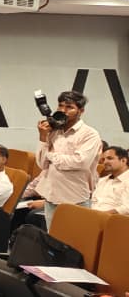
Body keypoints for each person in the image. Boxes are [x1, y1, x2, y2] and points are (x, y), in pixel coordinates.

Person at [35, 91, 102, 226]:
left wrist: (51, 155)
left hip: (75, 198)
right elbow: (42, 164)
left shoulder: (90, 134)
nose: (63, 110)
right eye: (60, 106)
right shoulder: (53, 131)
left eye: (69, 107)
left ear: (81, 111)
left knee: (75, 238)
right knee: (52, 236)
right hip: (51, 196)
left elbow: (79, 162)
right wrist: (43, 137)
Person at [91, 146, 128, 215]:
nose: (105, 162)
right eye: (103, 159)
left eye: (110, 158)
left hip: (115, 219)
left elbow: (126, 208)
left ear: (123, 160)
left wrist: (100, 215)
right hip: (95, 216)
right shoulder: (102, 180)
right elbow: (94, 202)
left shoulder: (127, 180)